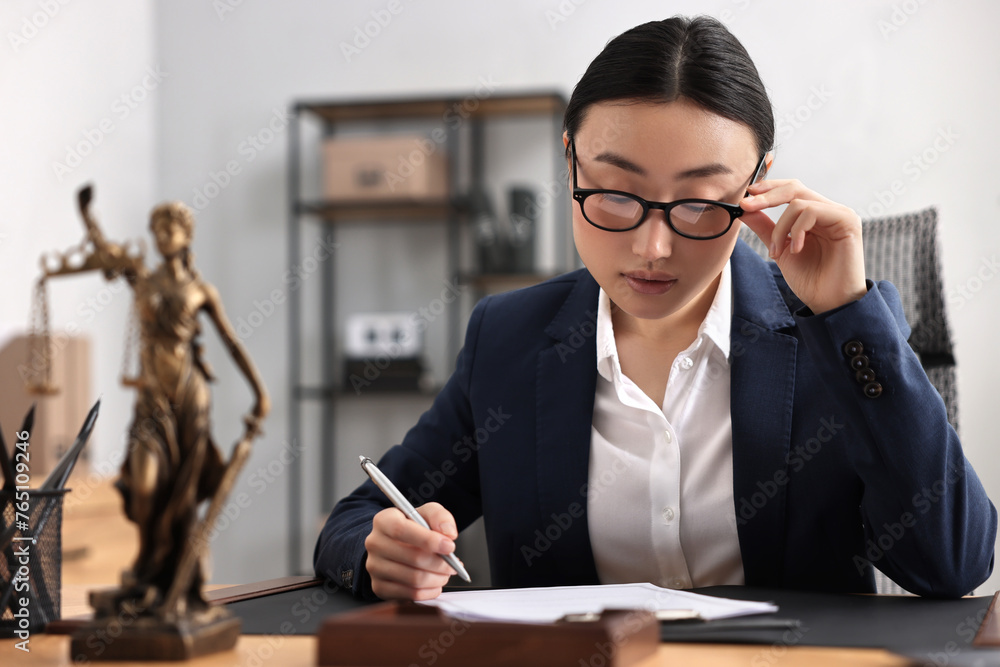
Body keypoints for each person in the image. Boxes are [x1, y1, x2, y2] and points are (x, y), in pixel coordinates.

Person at [314, 16, 996, 601]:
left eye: (700, 202)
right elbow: (357, 519)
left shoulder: (834, 334)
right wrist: (384, 550)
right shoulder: (510, 339)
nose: (653, 247)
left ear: (757, 186)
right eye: (614, 194)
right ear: (570, 162)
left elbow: (951, 563)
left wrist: (847, 312)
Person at [44, 193, 270, 616]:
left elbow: (233, 344)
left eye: (169, 229)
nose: (161, 236)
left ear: (186, 236)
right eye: (156, 230)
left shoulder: (202, 290)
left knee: (182, 495)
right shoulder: (141, 279)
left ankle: (173, 585)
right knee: (146, 488)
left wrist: (261, 392)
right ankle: (148, 572)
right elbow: (104, 251)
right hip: (151, 402)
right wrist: (87, 214)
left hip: (190, 397)